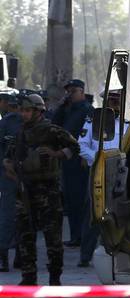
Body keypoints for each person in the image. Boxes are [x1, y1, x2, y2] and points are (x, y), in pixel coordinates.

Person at [2, 94, 80, 285]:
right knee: (25, 235)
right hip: (24, 190)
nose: (24, 114)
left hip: (47, 190)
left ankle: (55, 278)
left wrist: (57, 154)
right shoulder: (20, 132)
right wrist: (9, 166)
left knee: (52, 237)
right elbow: (10, 156)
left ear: (38, 111)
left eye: (27, 110)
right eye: (22, 110)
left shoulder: (51, 131)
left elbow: (74, 146)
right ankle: (29, 278)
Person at [77, 88, 128, 267]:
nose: (113, 104)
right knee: (92, 214)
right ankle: (85, 255)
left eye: (117, 100)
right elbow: (81, 145)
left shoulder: (127, 124)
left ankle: (116, 254)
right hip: (97, 173)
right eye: (111, 100)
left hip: (119, 174)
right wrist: (98, 160)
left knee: (118, 213)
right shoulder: (92, 122)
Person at [52, 79, 93, 247]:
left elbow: (86, 136)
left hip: (80, 159)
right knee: (70, 199)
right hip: (67, 159)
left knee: (80, 200)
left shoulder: (87, 110)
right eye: (68, 91)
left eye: (73, 91)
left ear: (82, 92)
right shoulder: (69, 109)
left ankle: (82, 237)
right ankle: (76, 236)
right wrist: (61, 107)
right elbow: (55, 126)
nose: (70, 94)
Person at [0, 94, 22, 271]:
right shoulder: (6, 123)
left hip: (31, 178)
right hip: (9, 177)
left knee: (26, 218)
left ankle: (21, 256)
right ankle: (4, 257)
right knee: (7, 217)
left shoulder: (39, 125)